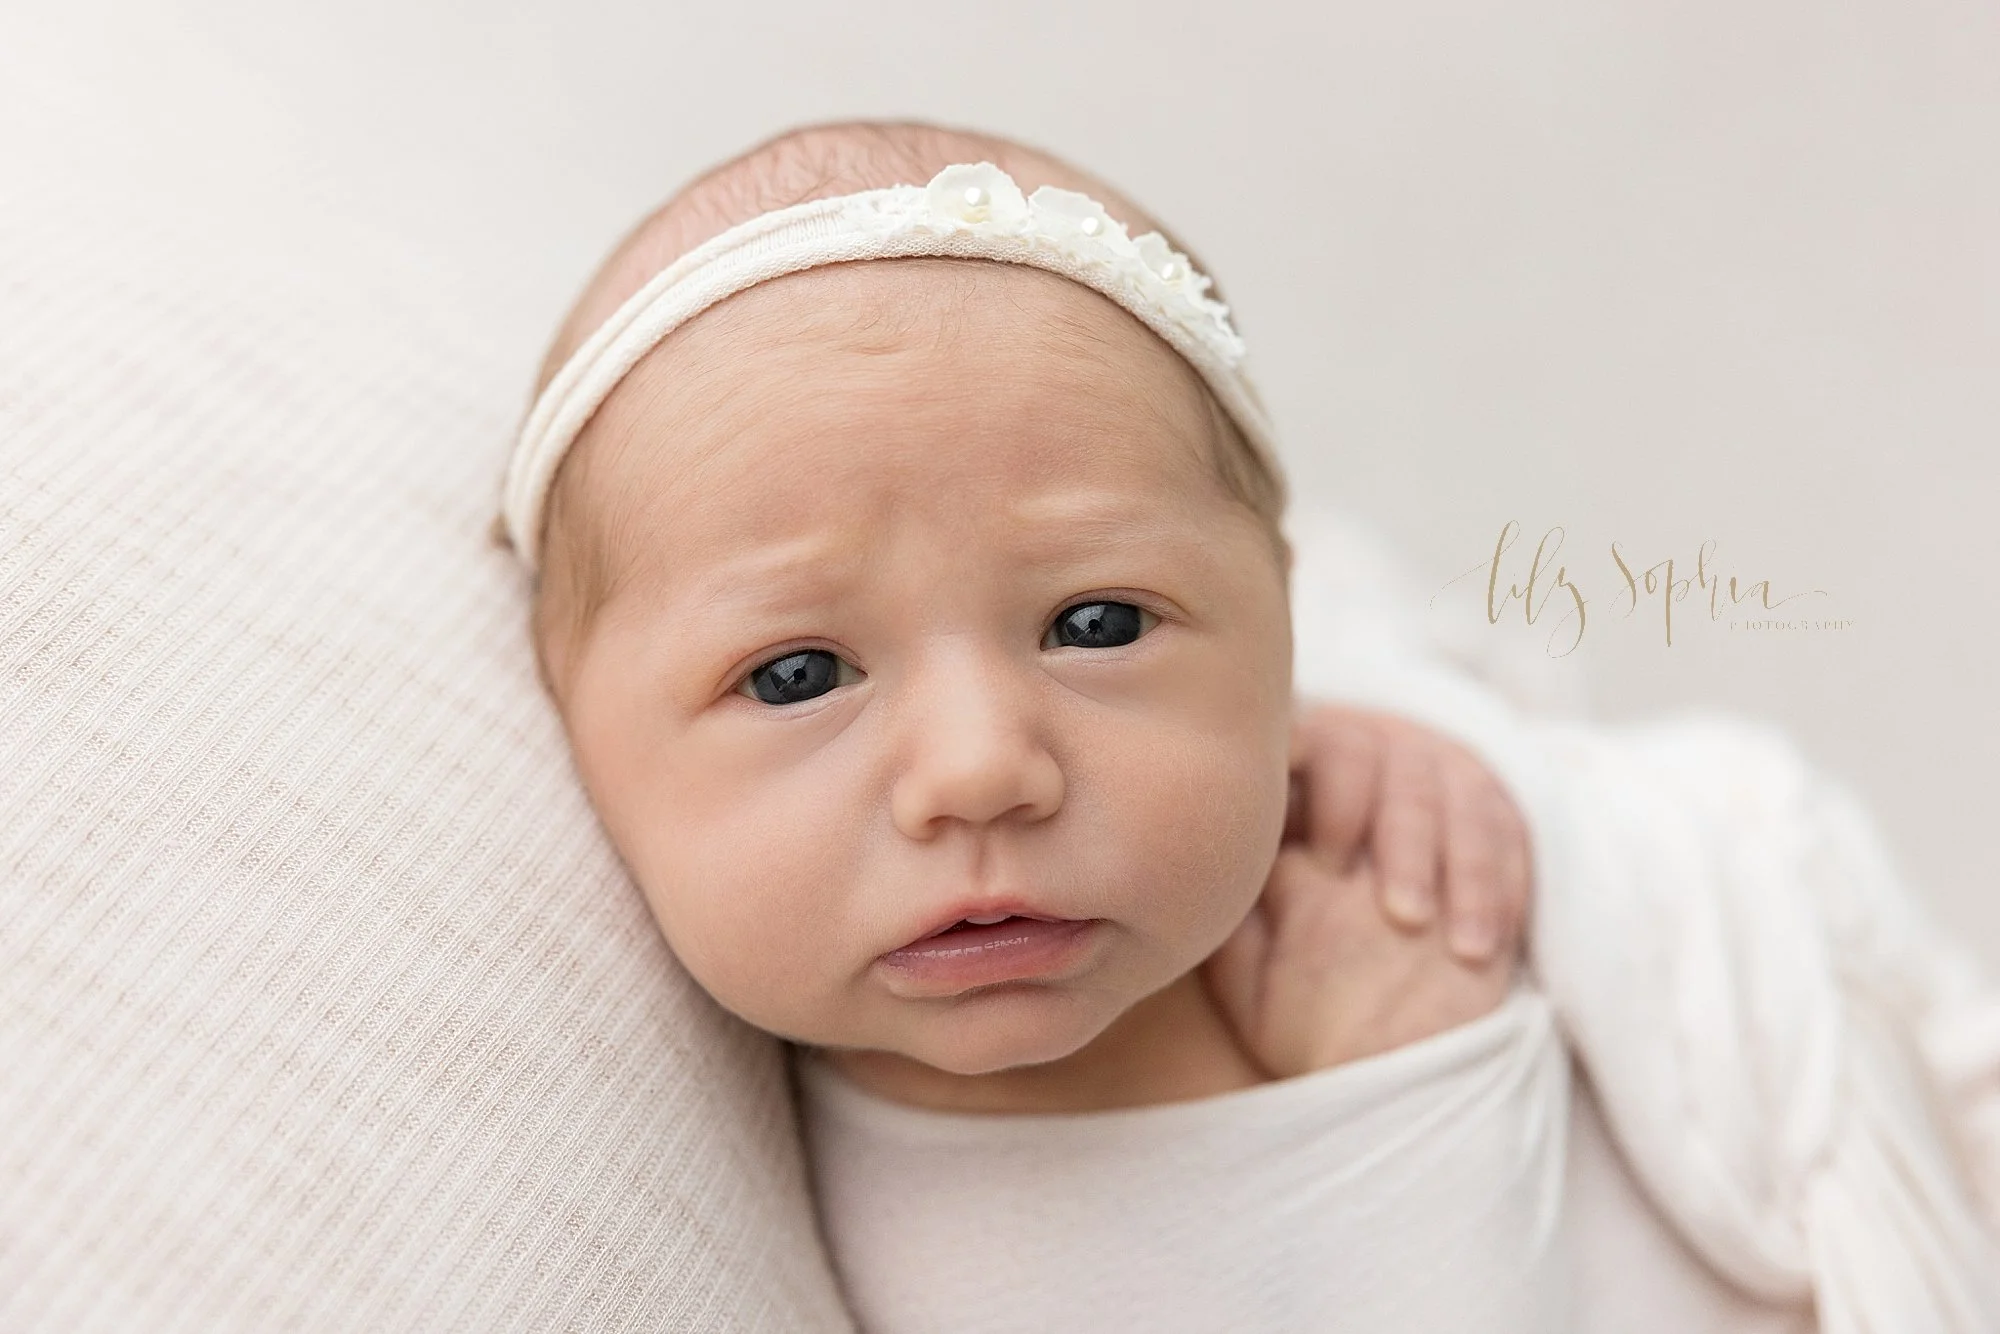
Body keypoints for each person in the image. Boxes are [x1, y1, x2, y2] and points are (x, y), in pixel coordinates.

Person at [503, 118, 2000, 1330]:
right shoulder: (946, 1243)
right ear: (578, 725)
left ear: (1275, 637)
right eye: (796, 675)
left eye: (1097, 625)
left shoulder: (1328, 774)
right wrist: (1416, 1072)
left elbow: (1699, 863)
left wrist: (1432, 750)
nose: (978, 767)